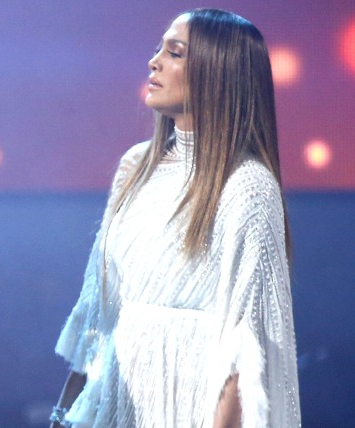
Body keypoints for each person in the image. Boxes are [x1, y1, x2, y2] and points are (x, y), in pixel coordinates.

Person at [50, 9, 300, 428]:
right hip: (113, 405)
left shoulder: (247, 186)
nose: (155, 62)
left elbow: (246, 350)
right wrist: (62, 413)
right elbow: (100, 312)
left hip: (189, 410)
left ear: (218, 71)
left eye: (176, 53)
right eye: (158, 49)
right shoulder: (136, 166)